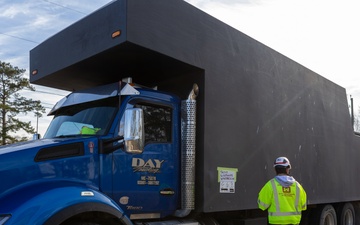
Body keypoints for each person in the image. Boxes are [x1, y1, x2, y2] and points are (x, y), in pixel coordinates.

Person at [258, 157, 307, 225]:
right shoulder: (298, 186)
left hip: (275, 223)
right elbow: (303, 206)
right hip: (293, 223)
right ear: (288, 169)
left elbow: (262, 205)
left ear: (275, 169)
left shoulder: (270, 185)